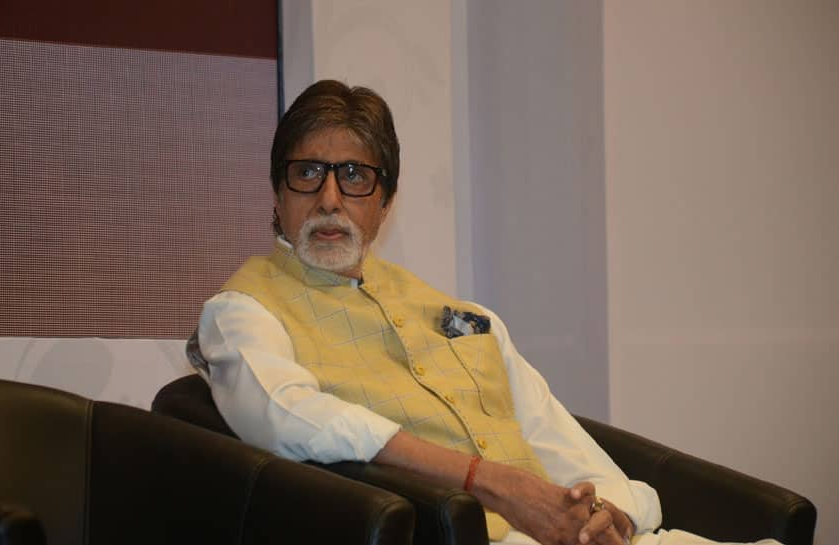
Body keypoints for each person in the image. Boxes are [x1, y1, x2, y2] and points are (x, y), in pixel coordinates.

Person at [193, 80, 782, 545]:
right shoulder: (243, 311)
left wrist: (608, 512)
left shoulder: (466, 317)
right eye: (307, 174)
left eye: (353, 176)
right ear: (277, 194)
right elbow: (287, 416)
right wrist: (489, 482)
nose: (328, 198)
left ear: (385, 203)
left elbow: (557, 441)